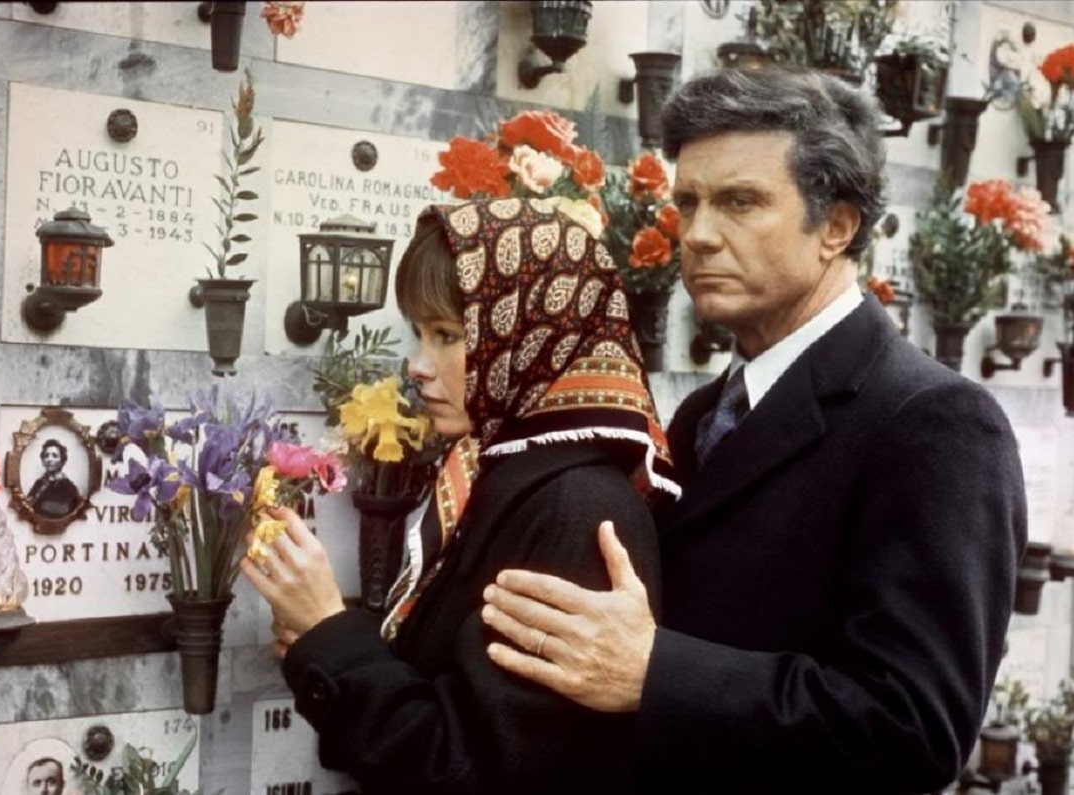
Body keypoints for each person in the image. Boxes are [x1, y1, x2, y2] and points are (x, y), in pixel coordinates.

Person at [481, 68, 1027, 794]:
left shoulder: (934, 421)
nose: (698, 235)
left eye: (740, 202)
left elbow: (915, 726)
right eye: (688, 202)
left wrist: (654, 672)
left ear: (836, 227)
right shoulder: (704, 413)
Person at [242, 197, 681, 794]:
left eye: (447, 335)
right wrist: (327, 638)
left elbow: (469, 772)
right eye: (419, 333)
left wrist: (329, 630)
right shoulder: (498, 474)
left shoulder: (577, 511)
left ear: (530, 334)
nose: (418, 366)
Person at [26, 438, 80, 518]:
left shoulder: (69, 487)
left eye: (54, 456)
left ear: (62, 460)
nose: (49, 459)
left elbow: (67, 510)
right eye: (46, 456)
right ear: (43, 460)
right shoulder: (39, 483)